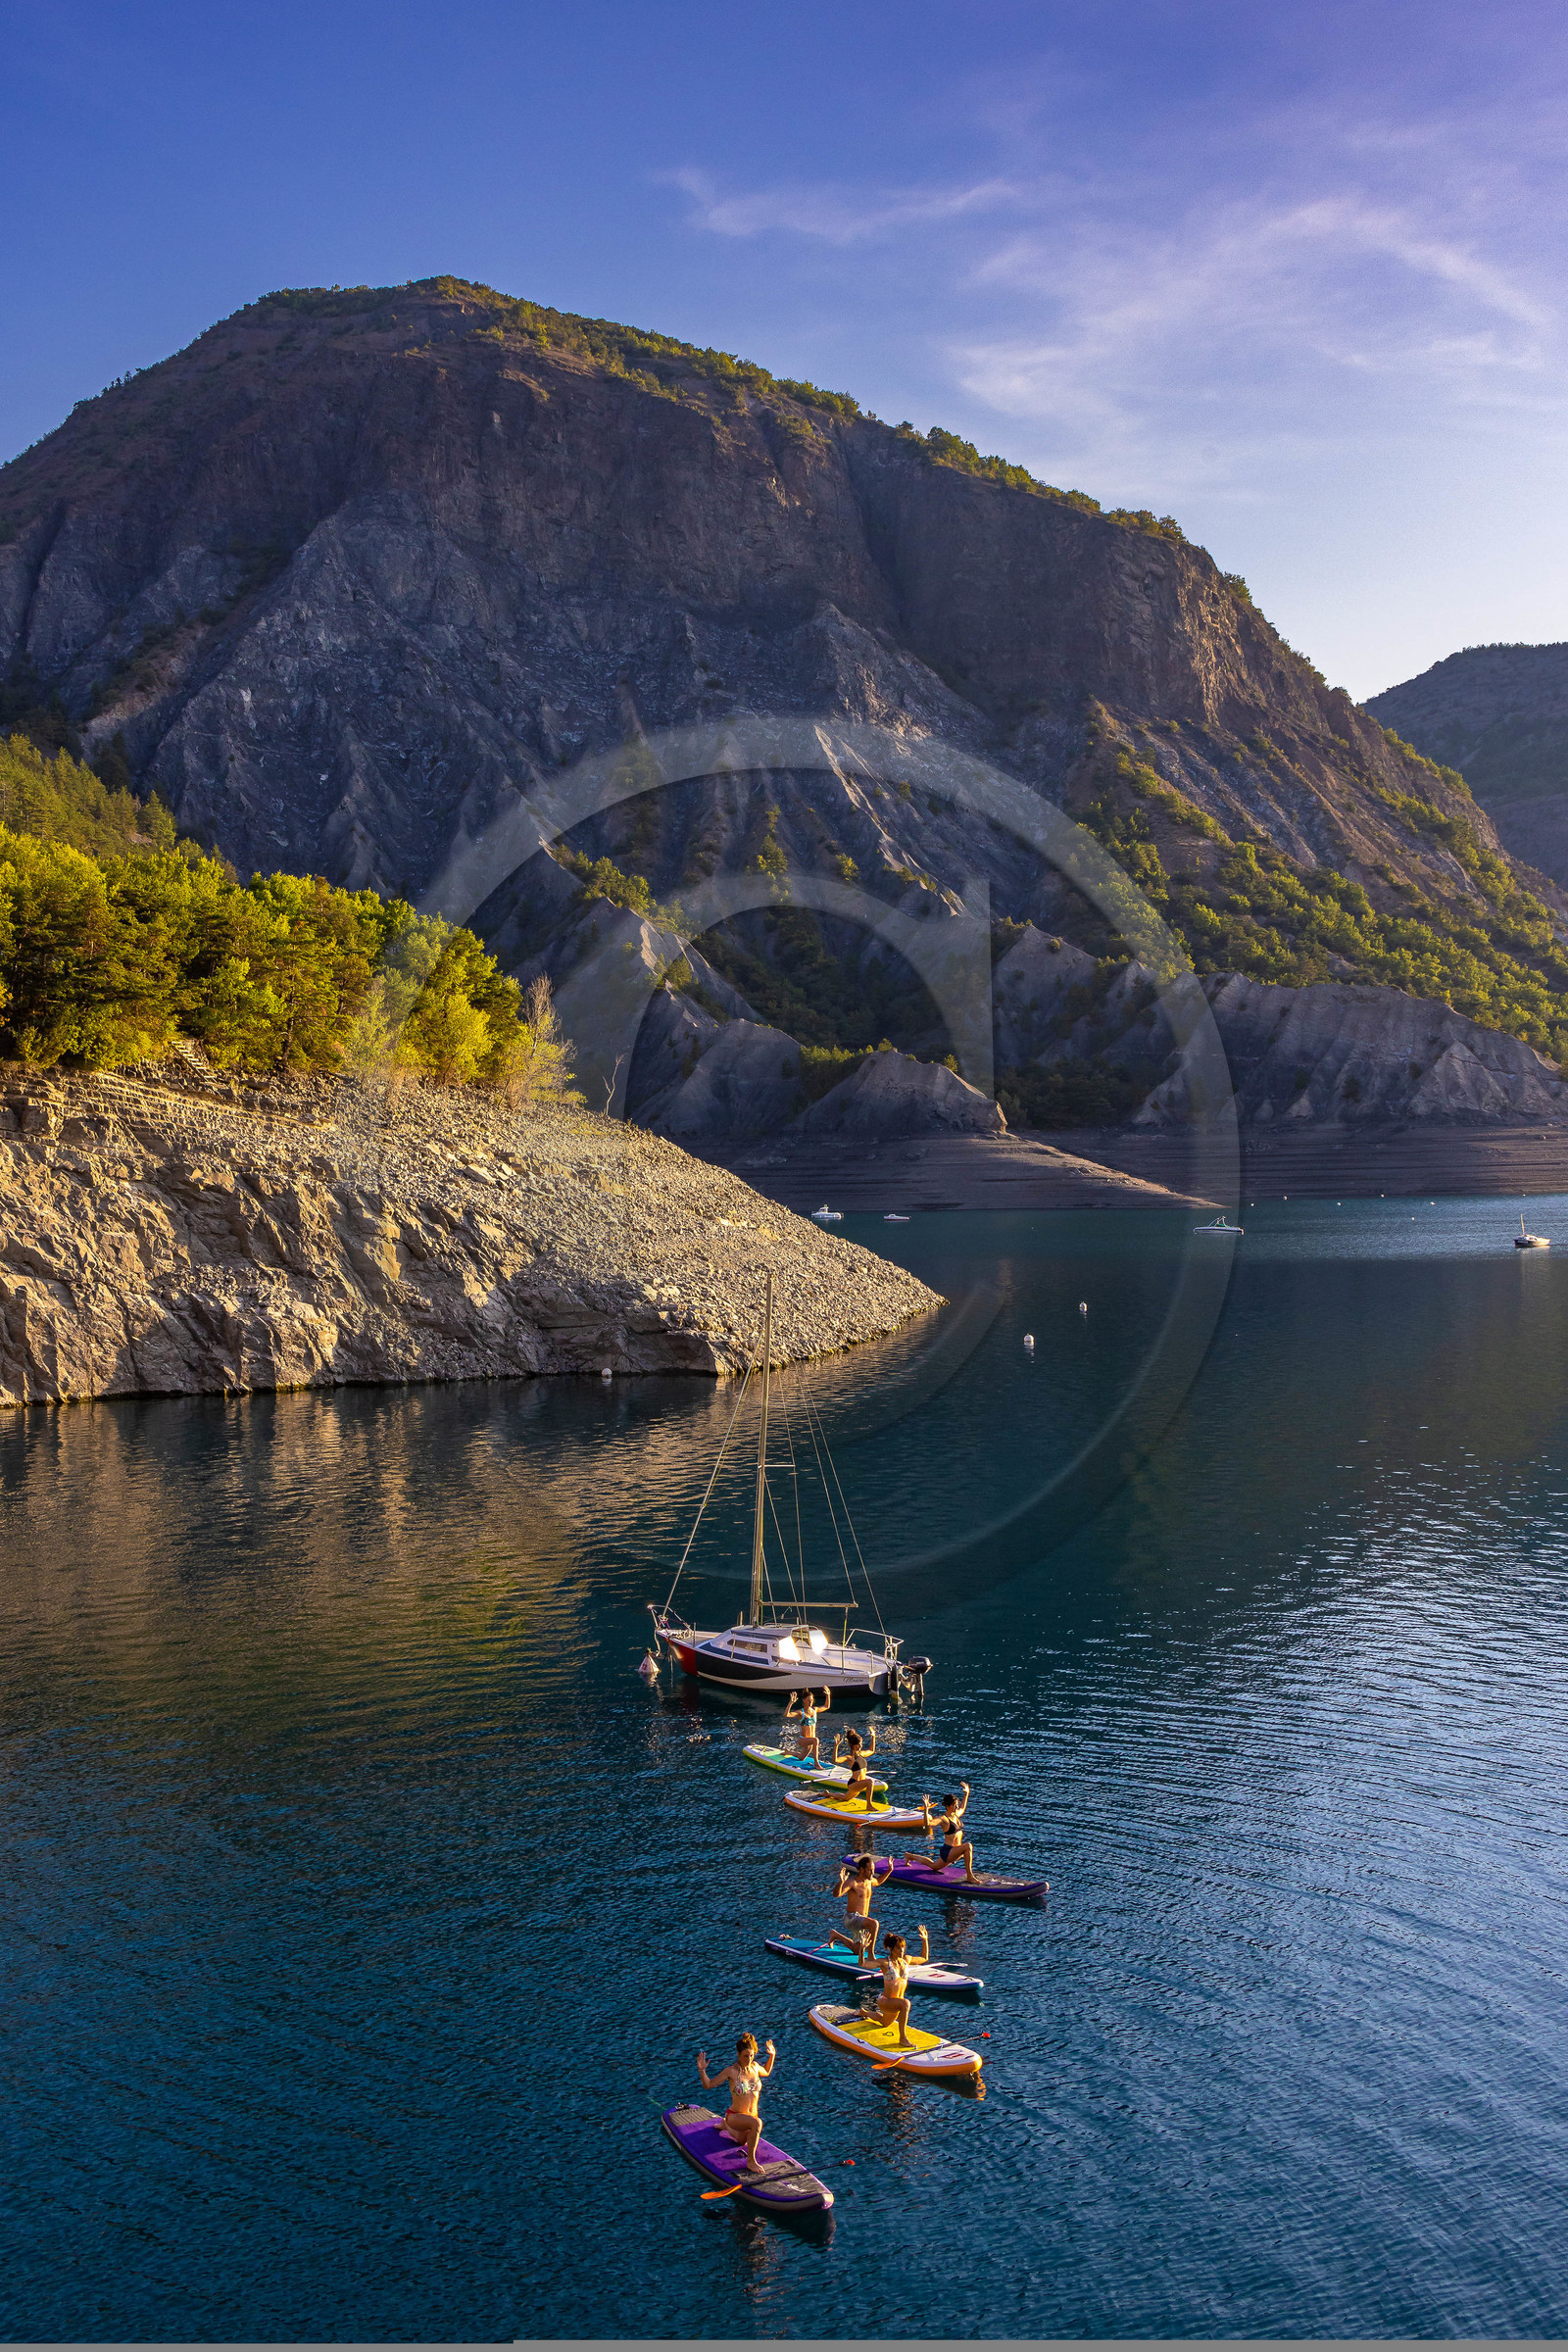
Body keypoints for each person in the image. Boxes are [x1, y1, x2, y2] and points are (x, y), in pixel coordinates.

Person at [696, 2033, 776, 2173]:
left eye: (751, 2055)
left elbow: (767, 2071)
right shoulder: (731, 2071)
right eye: (746, 2056)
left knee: (742, 2141)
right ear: (738, 2054)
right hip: (735, 2116)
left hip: (747, 2119)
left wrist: (772, 2055)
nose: (749, 2059)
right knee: (757, 2123)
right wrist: (702, 2070)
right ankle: (750, 2162)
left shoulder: (755, 2067)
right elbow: (708, 2085)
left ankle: (725, 2126)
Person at [860, 1930, 929, 2048]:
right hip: (885, 2001)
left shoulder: (906, 1961)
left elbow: (924, 1958)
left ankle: (864, 2012)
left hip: (896, 2004)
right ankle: (902, 2038)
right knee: (906, 2003)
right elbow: (863, 1964)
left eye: (903, 1947)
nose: (902, 1950)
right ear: (891, 1949)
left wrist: (925, 1940)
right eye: (898, 1948)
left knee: (884, 2023)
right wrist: (862, 1949)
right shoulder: (885, 1963)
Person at [906, 1783, 976, 1882]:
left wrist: (966, 1793)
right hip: (948, 1852)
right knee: (968, 1846)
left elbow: (962, 1808)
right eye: (954, 1805)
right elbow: (928, 1824)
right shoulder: (943, 1819)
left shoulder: (955, 1815)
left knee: (933, 1866)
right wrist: (926, 1809)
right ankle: (970, 1876)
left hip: (956, 1852)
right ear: (947, 1806)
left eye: (956, 1805)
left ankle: (910, 1856)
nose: (956, 1807)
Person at [829, 1853, 894, 1958]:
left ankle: (835, 1935)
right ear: (862, 1869)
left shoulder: (869, 1881)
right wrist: (841, 1882)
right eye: (870, 1870)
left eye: (873, 1870)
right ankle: (871, 1955)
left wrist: (889, 1870)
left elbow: (878, 1881)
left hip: (862, 1921)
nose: (873, 1873)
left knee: (857, 1951)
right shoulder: (853, 1882)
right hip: (851, 1918)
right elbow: (836, 1894)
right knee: (874, 1924)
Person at [783, 1685, 829, 1762]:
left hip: (810, 1742)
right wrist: (791, 1703)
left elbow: (826, 1706)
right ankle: (816, 1763)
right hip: (803, 1740)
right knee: (816, 1740)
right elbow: (786, 1714)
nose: (811, 1702)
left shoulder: (815, 1710)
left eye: (811, 1700)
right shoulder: (801, 1713)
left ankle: (789, 1752)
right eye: (808, 1700)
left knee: (801, 1758)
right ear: (804, 1700)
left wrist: (828, 1695)